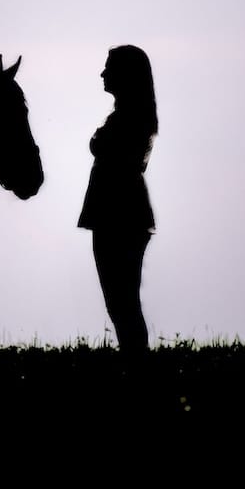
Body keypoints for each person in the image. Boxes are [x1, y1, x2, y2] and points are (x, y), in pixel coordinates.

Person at [78, 45, 158, 355]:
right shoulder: (130, 116)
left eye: (109, 67)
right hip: (118, 214)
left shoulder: (132, 119)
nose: (103, 73)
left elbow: (124, 160)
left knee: (122, 301)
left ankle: (135, 362)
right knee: (121, 302)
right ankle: (134, 359)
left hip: (119, 216)